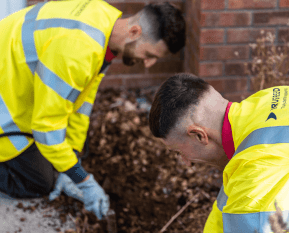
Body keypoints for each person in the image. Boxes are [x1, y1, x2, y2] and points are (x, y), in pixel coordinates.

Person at [0, 0, 185, 220]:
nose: (148, 64)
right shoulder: (78, 50)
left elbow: (82, 101)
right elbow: (45, 128)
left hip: (16, 82)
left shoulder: (106, 21)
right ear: (135, 32)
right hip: (7, 99)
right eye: (150, 54)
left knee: (62, 158)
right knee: (39, 181)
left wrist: (74, 157)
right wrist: (82, 179)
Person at [149, 73, 289, 232]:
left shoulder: (260, 170)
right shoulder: (265, 102)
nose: (186, 161)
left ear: (199, 135)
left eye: (178, 151)